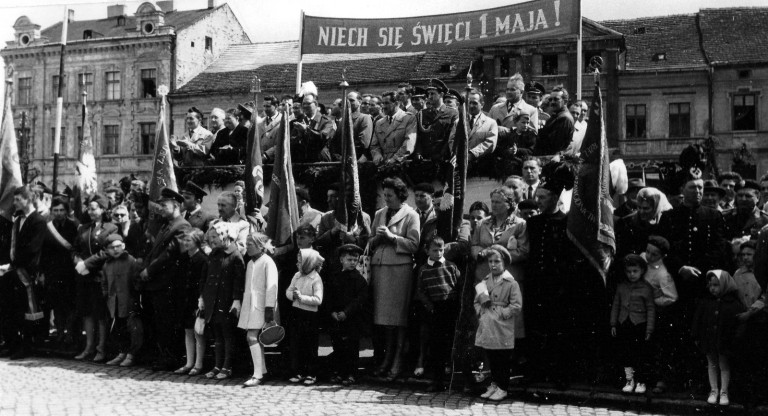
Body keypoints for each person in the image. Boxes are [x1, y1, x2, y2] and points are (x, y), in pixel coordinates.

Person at [370, 177, 420, 381]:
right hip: (380, 268)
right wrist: (378, 238)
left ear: (400, 195)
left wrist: (392, 237)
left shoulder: (411, 215)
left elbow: (414, 244)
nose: (386, 199)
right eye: (385, 195)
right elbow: (370, 241)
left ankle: (397, 360)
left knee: (398, 319)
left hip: (399, 270)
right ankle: (387, 358)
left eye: (390, 195)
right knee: (383, 320)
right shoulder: (379, 214)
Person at [140, 188, 191, 371]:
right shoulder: (166, 225)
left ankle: (170, 358)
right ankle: (163, 356)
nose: (160, 208)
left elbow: (169, 254)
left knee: (168, 322)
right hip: (158, 282)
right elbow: (155, 251)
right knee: (159, 322)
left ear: (176, 205)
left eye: (164, 205)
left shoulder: (182, 226)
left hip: (169, 283)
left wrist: (149, 270)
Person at [0, 186, 48, 359]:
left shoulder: (38, 221)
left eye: (18, 199)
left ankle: (25, 347)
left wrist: (11, 265)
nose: (14, 202)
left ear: (28, 200)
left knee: (25, 311)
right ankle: (12, 345)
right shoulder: (18, 220)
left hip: (27, 272)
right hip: (13, 270)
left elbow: (32, 250)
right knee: (9, 310)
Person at [73, 193, 118, 362]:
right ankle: (89, 347)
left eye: (94, 209)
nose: (90, 212)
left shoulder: (111, 228)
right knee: (86, 313)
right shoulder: (83, 228)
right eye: (89, 209)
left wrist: (87, 263)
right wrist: (78, 262)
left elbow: (107, 251)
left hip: (100, 276)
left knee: (100, 314)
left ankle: (101, 348)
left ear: (103, 209)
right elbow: (75, 248)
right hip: (83, 276)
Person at [475, 245, 522, 402]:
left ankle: (503, 387)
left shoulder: (511, 283)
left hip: (502, 326)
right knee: (491, 357)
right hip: (488, 324)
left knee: (502, 359)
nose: (493, 265)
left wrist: (502, 313)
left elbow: (516, 305)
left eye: (497, 261)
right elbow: (477, 301)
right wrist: (481, 313)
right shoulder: (485, 281)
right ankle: (494, 384)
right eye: (490, 261)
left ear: (504, 263)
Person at [199, 222, 245, 381]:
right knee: (216, 335)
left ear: (226, 235)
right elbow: (205, 278)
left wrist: (236, 300)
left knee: (227, 335)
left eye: (214, 237)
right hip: (213, 301)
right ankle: (217, 365)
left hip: (226, 303)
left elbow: (239, 281)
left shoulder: (235, 255)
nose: (211, 240)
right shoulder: (213, 254)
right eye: (210, 237)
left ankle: (227, 366)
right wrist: (201, 298)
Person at [692, 270, 745, 406]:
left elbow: (738, 323)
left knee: (724, 365)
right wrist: (696, 335)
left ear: (725, 285)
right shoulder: (706, 302)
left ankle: (724, 391)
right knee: (711, 363)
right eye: (710, 285)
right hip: (709, 339)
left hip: (724, 341)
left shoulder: (734, 304)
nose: (712, 288)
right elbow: (698, 319)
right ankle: (713, 390)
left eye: (716, 285)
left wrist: (736, 339)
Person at [416, 235, 461, 392]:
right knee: (436, 346)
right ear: (427, 250)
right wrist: (430, 306)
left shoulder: (451, 266)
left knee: (451, 343)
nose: (438, 253)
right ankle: (437, 380)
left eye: (441, 250)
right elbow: (420, 291)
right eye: (434, 250)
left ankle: (454, 379)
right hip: (435, 309)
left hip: (451, 308)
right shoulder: (423, 269)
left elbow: (458, 285)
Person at [237, 232, 278, 387]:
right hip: (251, 307)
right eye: (246, 244)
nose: (247, 247)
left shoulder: (268, 262)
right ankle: (263, 371)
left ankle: (257, 374)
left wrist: (269, 311)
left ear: (260, 246)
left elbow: (271, 288)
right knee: (255, 339)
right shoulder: (250, 263)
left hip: (262, 307)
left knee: (251, 337)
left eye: (250, 244)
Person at [610, 254, 655, 394]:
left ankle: (641, 381)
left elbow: (651, 309)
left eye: (635, 271)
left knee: (640, 353)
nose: (632, 274)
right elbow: (616, 305)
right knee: (626, 353)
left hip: (640, 324)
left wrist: (649, 329)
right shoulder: (621, 286)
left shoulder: (646, 288)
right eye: (629, 271)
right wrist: (613, 323)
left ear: (642, 271)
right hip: (624, 323)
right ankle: (629, 379)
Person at [326, 244, 368, 386]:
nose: (352, 262)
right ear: (341, 259)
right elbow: (330, 296)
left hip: (352, 321)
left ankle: (351, 374)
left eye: (355, 260)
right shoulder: (335, 277)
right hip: (336, 319)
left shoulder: (359, 280)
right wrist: (332, 311)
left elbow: (359, 300)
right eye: (349, 259)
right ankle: (339, 373)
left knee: (351, 348)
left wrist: (346, 312)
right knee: (338, 347)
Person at [41, 197, 79, 351]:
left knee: (69, 305)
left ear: (67, 211)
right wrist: (42, 272)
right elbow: (43, 251)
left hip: (69, 272)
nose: (58, 213)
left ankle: (70, 335)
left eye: (61, 210)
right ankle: (60, 334)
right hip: (52, 272)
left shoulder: (74, 226)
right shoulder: (48, 227)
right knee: (56, 305)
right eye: (55, 210)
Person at [101, 233, 142, 367]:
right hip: (114, 303)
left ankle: (131, 355)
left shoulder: (131, 261)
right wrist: (106, 295)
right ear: (107, 250)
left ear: (123, 246)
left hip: (129, 302)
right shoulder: (107, 264)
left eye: (118, 246)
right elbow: (104, 283)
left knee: (132, 329)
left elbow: (137, 282)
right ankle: (121, 353)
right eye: (112, 248)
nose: (116, 250)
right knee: (119, 329)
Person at [643, 235, 678, 394]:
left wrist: (654, 300)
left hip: (655, 314)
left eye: (654, 254)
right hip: (639, 310)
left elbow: (671, 297)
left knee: (658, 348)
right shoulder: (644, 261)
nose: (649, 256)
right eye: (648, 251)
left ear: (662, 256)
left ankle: (660, 380)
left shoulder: (662, 274)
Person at [286, 248, 325, 386]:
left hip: (310, 316)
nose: (298, 263)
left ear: (309, 263)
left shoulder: (316, 278)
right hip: (297, 313)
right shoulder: (297, 275)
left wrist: (302, 298)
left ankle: (311, 373)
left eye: (300, 261)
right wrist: (293, 296)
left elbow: (318, 300)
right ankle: (298, 371)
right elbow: (288, 291)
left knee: (310, 346)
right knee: (297, 344)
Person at [172, 229, 208, 376]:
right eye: (184, 240)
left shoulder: (203, 259)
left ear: (197, 242)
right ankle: (189, 362)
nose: (185, 243)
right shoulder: (183, 257)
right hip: (185, 299)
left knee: (198, 332)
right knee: (187, 331)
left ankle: (198, 364)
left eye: (189, 240)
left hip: (197, 300)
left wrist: (201, 301)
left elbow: (203, 282)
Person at [614, 187, 672, 260]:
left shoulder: (664, 223)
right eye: (639, 207)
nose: (641, 212)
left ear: (656, 208)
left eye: (646, 208)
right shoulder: (627, 222)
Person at [369, 91, 417, 165]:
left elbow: (409, 143)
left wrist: (395, 159)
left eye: (387, 103)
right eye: (383, 103)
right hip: (383, 164)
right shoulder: (379, 123)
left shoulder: (408, 118)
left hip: (401, 163)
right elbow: (374, 145)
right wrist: (377, 155)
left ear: (396, 103)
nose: (384, 106)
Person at [330, 91, 373, 162]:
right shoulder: (342, 121)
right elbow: (335, 142)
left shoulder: (364, 118)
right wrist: (338, 157)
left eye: (352, 100)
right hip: (341, 161)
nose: (348, 103)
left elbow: (364, 143)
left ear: (359, 102)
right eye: (347, 100)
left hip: (356, 160)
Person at [535, 86, 574, 155]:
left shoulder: (564, 119)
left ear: (565, 101)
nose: (552, 102)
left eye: (556, 99)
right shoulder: (557, 115)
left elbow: (555, 145)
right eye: (550, 99)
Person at [732, 241, 761, 309]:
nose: (745, 257)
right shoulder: (737, 274)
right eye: (743, 254)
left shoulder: (762, 273)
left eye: (749, 254)